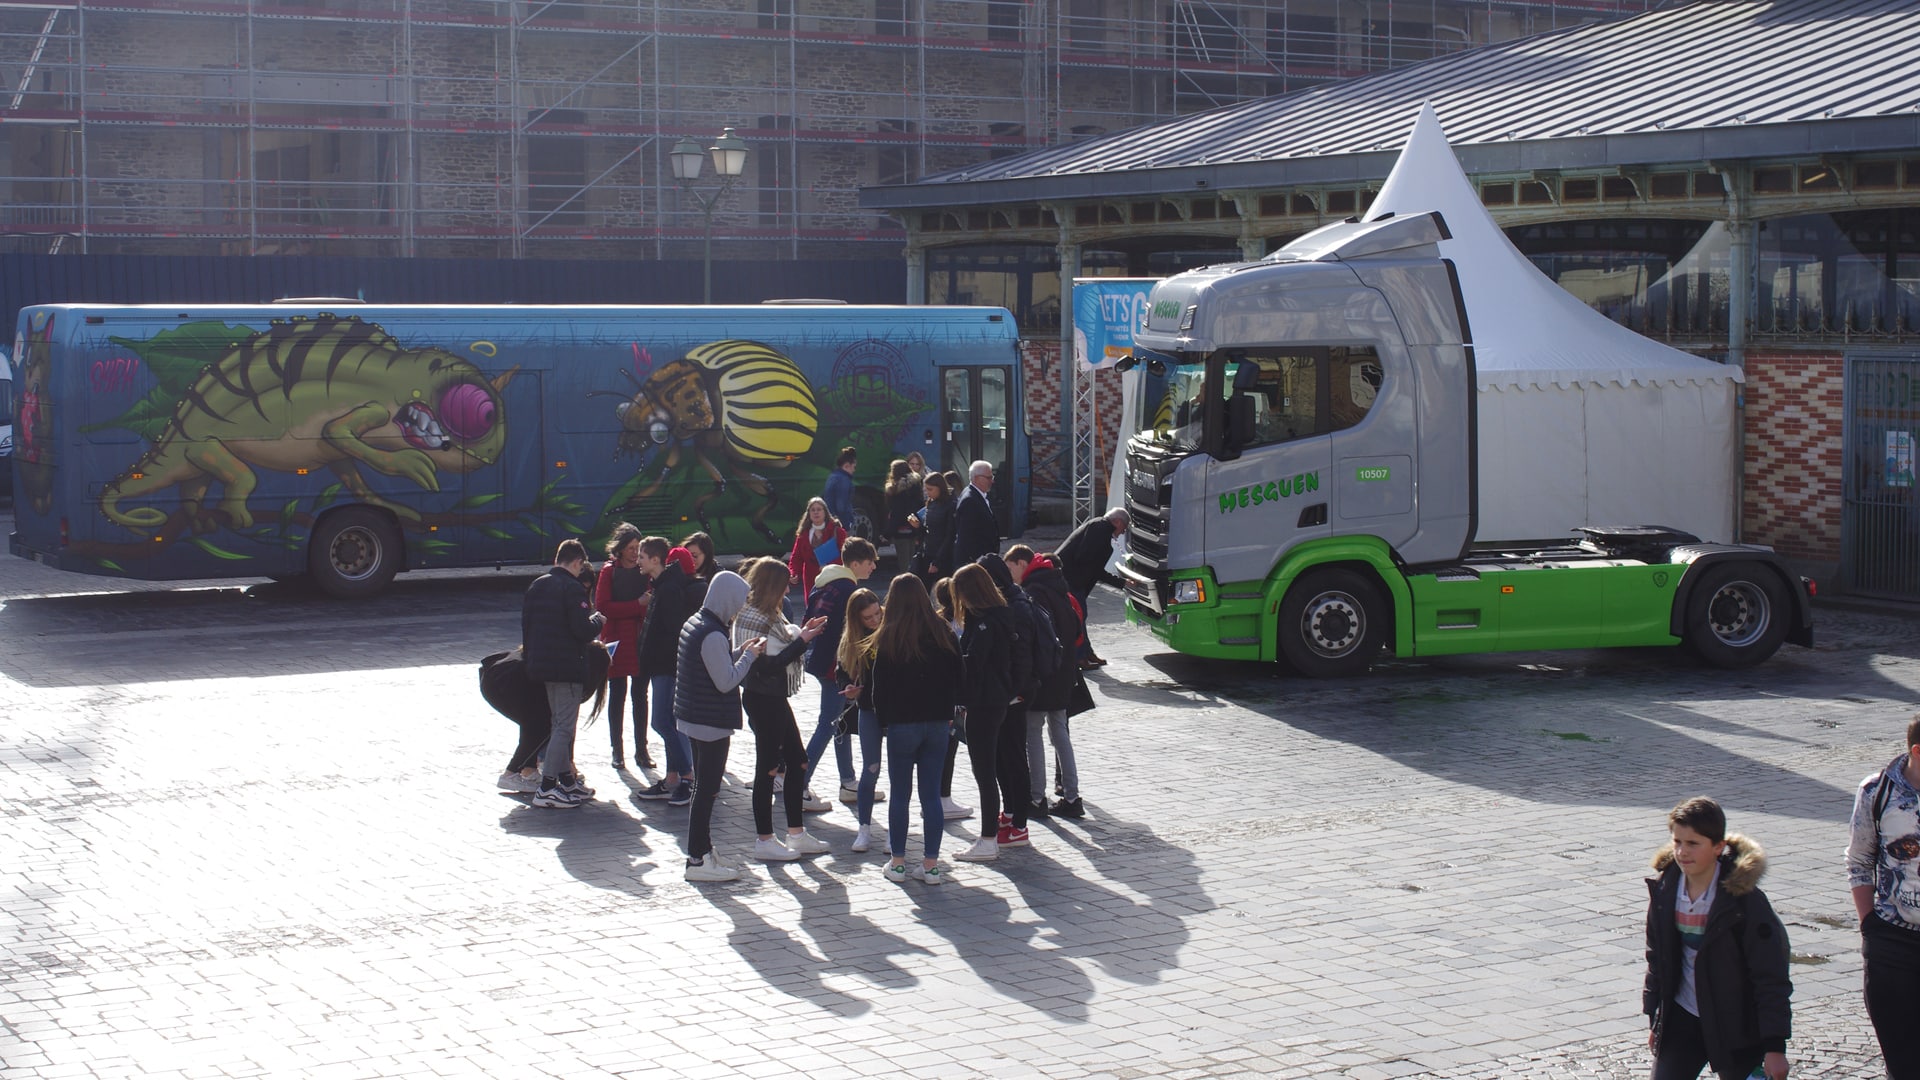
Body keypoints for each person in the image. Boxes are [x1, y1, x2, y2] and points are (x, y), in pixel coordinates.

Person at [1643, 796, 1792, 1080]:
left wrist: (1774, 1046)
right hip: (1682, 1020)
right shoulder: (1665, 891)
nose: (1682, 852)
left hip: (1735, 1024)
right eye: (1677, 842)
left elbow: (1770, 975)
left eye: (1693, 843)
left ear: (1718, 847)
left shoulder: (1745, 902)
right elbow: (1657, 959)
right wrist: (1656, 1018)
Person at [732, 558, 831, 862]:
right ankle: (765, 839)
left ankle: (796, 834)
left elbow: (780, 642)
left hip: (772, 698)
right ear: (772, 585)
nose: (789, 587)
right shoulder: (751, 618)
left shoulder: (768, 615)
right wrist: (802, 640)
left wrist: (801, 633)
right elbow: (769, 666)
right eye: (785, 582)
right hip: (763, 698)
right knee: (768, 768)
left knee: (798, 761)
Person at [870, 574, 963, 884]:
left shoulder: (889, 636)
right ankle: (931, 864)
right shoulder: (943, 631)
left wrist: (885, 721)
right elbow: (958, 677)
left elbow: (878, 689)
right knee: (931, 797)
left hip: (901, 724)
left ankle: (898, 863)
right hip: (937, 722)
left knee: (900, 795)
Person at [674, 569, 766, 882]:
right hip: (710, 722)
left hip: (693, 717)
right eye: (738, 602)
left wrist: (740, 651)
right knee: (707, 792)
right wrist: (750, 657)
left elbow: (716, 663)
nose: (739, 609)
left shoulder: (697, 622)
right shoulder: (713, 633)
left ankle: (701, 851)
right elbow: (726, 680)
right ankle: (698, 859)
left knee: (702, 790)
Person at [1847, 714, 1920, 1077]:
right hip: (1892, 943)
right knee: (1904, 1064)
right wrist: (1869, 927)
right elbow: (1859, 861)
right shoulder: (1878, 793)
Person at [520, 539, 607, 808]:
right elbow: (581, 631)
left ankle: (567, 782)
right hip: (567, 667)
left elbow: (527, 625)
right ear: (577, 563)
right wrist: (597, 620)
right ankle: (547, 788)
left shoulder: (538, 585)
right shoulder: (571, 588)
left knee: (557, 723)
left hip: (541, 666)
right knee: (563, 727)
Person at [1006, 544, 1086, 819]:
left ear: (1021, 563)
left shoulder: (1033, 592)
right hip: (1064, 670)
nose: (1010, 575)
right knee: (1059, 732)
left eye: (1010, 568)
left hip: (1044, 672)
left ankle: (1036, 797)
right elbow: (1077, 628)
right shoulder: (1058, 586)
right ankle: (1072, 795)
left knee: (1033, 733)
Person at [800, 537, 880, 811]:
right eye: (870, 563)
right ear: (856, 563)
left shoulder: (825, 582)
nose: (873, 568)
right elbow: (852, 634)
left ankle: (848, 782)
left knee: (840, 723)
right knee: (829, 724)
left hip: (821, 660)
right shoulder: (849, 590)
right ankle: (799, 784)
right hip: (837, 666)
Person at [949, 563, 1017, 863]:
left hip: (984, 702)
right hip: (997, 698)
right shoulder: (1000, 615)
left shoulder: (984, 623)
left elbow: (973, 663)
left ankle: (988, 838)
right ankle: (993, 833)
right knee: (991, 769)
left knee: (984, 772)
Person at [975, 553, 1037, 847]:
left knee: (1013, 757)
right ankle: (1010, 812)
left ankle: (1019, 823)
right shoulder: (1004, 603)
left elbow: (1023, 657)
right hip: (1005, 693)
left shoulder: (1016, 607)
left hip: (1015, 695)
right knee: (1002, 756)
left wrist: (1014, 692)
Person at [633, 535, 698, 806]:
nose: (637, 561)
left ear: (656, 560)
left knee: (662, 722)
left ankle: (687, 776)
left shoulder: (668, 589)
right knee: (668, 723)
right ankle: (675, 778)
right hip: (659, 665)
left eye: (641, 556)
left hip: (666, 667)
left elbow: (673, 632)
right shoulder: (661, 585)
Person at [596, 524, 654, 771]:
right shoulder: (609, 572)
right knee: (617, 695)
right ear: (619, 549)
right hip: (617, 639)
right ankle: (617, 750)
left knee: (640, 696)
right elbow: (603, 607)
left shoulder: (646, 573)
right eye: (630, 548)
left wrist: (637, 607)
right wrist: (636, 605)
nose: (634, 553)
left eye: (637, 548)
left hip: (640, 638)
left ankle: (641, 749)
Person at [835, 588, 885, 852]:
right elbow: (841, 672)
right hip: (868, 709)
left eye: (877, 613)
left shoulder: (892, 627)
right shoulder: (850, 640)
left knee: (901, 773)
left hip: (896, 710)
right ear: (856, 619)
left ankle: (895, 830)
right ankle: (864, 828)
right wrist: (849, 688)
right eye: (868, 618)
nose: (875, 620)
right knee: (870, 769)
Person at [1055, 508, 1129, 668]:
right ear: (1117, 521)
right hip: (1071, 579)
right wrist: (1121, 583)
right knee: (1079, 616)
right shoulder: (1100, 529)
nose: (1123, 532)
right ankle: (1080, 656)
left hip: (1071, 577)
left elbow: (1092, 564)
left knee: (1081, 615)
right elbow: (1090, 562)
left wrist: (1121, 583)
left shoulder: (1098, 526)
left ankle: (1086, 652)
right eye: (1124, 527)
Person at [931, 576, 973, 821]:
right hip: (952, 694)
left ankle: (938, 797)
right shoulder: (960, 623)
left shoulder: (935, 621)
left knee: (942, 748)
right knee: (949, 746)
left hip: (938, 693)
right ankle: (942, 798)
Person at [787, 496, 849, 601]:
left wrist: (828, 566)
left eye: (819, 509)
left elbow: (845, 556)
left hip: (832, 578)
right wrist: (793, 573)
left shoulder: (837, 532)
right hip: (811, 580)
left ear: (825, 512)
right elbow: (796, 557)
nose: (816, 512)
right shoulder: (803, 534)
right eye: (813, 510)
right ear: (809, 514)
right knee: (813, 609)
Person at [908, 472, 956, 588]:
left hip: (943, 556)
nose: (927, 493)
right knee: (923, 589)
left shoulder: (950, 505)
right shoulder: (931, 503)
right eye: (926, 490)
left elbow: (950, 536)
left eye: (930, 489)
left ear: (940, 488)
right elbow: (927, 530)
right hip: (927, 552)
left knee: (945, 590)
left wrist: (937, 561)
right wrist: (917, 526)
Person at [951, 460, 1000, 569]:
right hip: (973, 564)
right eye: (989, 478)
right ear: (977, 478)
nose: (992, 481)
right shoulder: (970, 500)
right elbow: (966, 536)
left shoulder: (975, 494)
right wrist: (976, 564)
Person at [884, 458, 923, 573]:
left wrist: (887, 534)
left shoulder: (896, 490)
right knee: (912, 559)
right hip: (913, 528)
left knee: (904, 563)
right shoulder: (916, 485)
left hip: (901, 531)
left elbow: (897, 514)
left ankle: (906, 586)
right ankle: (915, 583)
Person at [822, 445, 858, 528]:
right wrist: (847, 524)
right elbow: (841, 507)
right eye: (854, 466)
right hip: (840, 524)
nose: (854, 470)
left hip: (831, 521)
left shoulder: (833, 476)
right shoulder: (843, 480)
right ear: (847, 465)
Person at [680, 531, 715, 608]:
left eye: (695, 555)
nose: (691, 559)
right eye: (687, 555)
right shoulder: (680, 572)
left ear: (707, 555)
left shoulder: (717, 576)